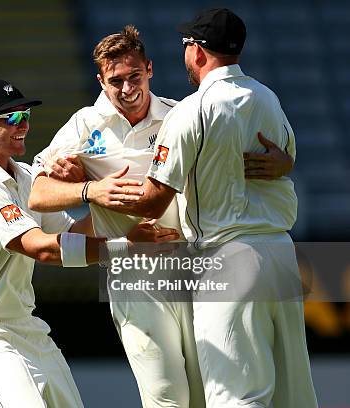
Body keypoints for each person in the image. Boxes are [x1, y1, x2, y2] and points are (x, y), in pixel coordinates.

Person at [28, 26, 293, 408]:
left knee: (210, 393)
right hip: (133, 276)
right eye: (115, 80)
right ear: (100, 80)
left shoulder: (179, 114)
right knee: (166, 394)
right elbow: (38, 194)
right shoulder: (84, 126)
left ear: (149, 69)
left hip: (195, 273)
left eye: (134, 76)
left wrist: (285, 163)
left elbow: (232, 159)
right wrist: (89, 190)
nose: (126, 88)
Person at [93, 9, 318, 407]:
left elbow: (155, 199)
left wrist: (93, 189)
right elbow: (285, 159)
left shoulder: (190, 110)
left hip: (226, 258)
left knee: (235, 395)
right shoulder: (268, 96)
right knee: (291, 396)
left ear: (196, 52)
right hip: (281, 255)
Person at [0, 79, 178, 408]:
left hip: (27, 325)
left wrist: (99, 187)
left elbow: (74, 233)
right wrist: (125, 245)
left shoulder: (23, 175)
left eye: (25, 116)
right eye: (11, 119)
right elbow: (42, 248)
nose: (23, 125)